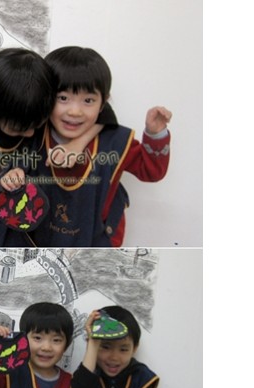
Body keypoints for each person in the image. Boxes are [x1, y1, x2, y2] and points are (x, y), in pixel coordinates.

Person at [0, 47, 111, 247]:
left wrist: (77, 145)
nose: (30, 134)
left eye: (36, 126)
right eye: (18, 130)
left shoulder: (36, 105)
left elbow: (105, 111)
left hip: (17, 230)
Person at [30, 46, 172, 247]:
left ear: (103, 103)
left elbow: (151, 171)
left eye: (88, 100)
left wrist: (155, 134)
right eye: (63, 98)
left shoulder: (114, 140)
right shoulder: (33, 133)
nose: (75, 111)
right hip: (40, 243)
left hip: (97, 244)